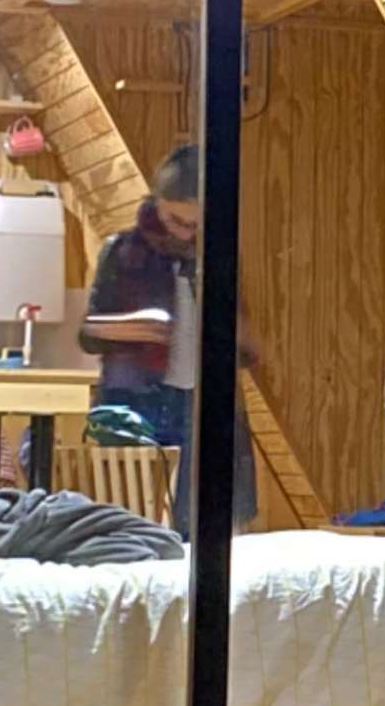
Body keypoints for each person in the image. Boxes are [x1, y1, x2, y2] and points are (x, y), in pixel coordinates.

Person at [80, 143, 254, 529]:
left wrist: (239, 339)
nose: (186, 233)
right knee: (131, 521)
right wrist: (135, 329)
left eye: (196, 224)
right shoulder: (123, 252)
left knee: (203, 524)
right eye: (176, 220)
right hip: (136, 401)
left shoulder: (216, 254)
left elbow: (240, 341)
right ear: (157, 203)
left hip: (202, 402)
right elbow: (88, 333)